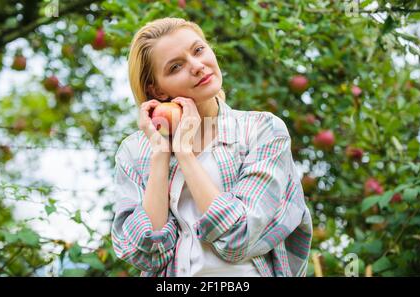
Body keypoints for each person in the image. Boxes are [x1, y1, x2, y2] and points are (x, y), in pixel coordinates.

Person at [111, 17, 313, 277]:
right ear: (157, 90)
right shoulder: (134, 151)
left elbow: (240, 236)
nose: (197, 66)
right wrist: (161, 151)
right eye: (175, 67)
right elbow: (146, 254)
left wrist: (184, 153)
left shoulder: (261, 130)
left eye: (198, 50)